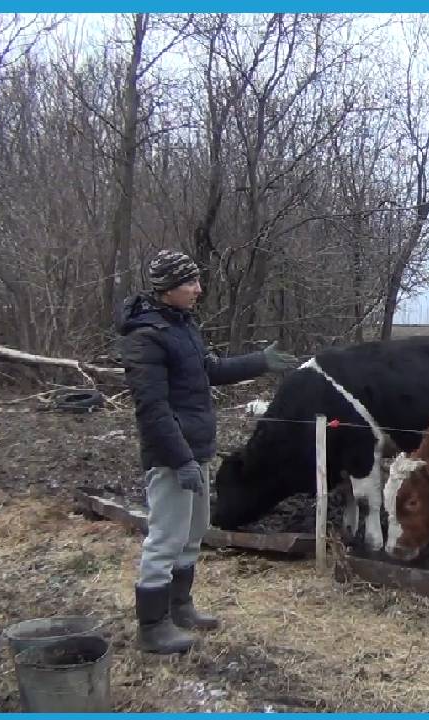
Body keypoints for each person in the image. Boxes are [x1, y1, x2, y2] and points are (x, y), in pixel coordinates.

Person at [116, 249, 299, 654]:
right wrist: (178, 459)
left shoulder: (182, 326)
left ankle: (181, 607)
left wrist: (259, 362)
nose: (199, 289)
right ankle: (153, 625)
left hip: (196, 449)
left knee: (194, 532)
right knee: (165, 538)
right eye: (190, 283)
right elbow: (152, 409)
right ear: (167, 289)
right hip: (172, 455)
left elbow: (209, 371)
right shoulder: (145, 337)